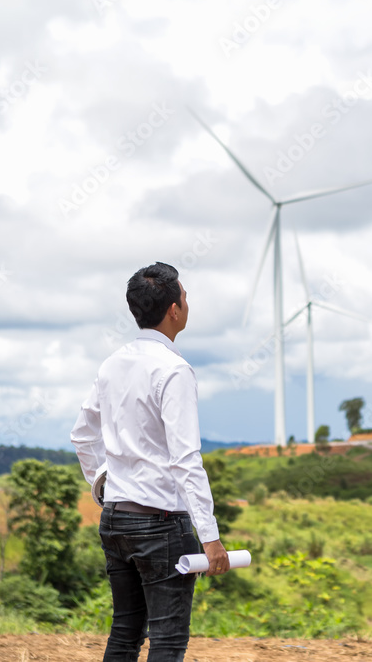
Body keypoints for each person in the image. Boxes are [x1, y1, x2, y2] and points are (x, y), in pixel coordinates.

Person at [71, 262, 229, 662]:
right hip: (162, 525)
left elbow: (82, 435)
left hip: (116, 519)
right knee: (167, 641)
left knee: (125, 634)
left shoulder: (112, 363)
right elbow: (186, 459)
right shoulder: (174, 370)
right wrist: (210, 536)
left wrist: (105, 485)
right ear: (174, 310)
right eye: (186, 297)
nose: (188, 303)